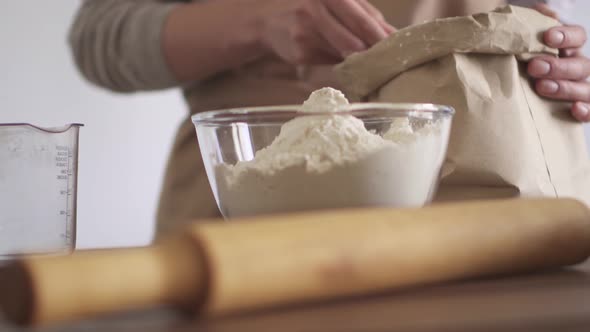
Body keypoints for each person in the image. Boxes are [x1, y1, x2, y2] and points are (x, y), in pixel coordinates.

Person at [69, 0, 590, 234]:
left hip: (470, 219)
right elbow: (101, 37)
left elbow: (550, 21)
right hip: (244, 220)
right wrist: (257, 18)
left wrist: (561, 59)